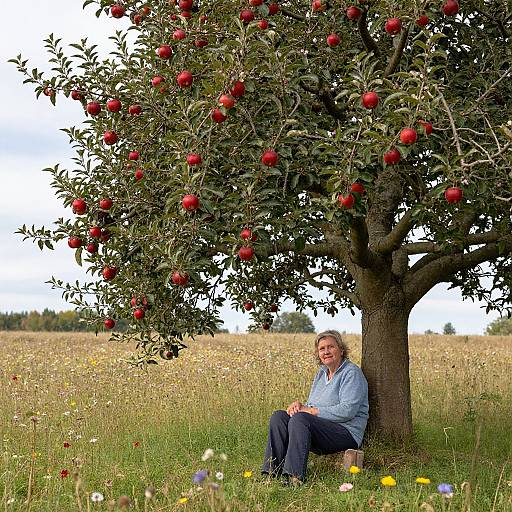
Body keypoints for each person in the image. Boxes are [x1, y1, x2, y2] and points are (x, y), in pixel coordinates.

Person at [261, 330, 369, 484]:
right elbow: (312, 405)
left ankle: (294, 477)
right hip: (321, 429)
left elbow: (347, 411)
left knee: (301, 419)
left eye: (330, 347)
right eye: (322, 349)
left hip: (345, 433)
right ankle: (271, 474)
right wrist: (300, 406)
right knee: (279, 416)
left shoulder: (351, 373)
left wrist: (310, 411)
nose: (326, 352)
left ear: (341, 350)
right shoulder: (321, 373)